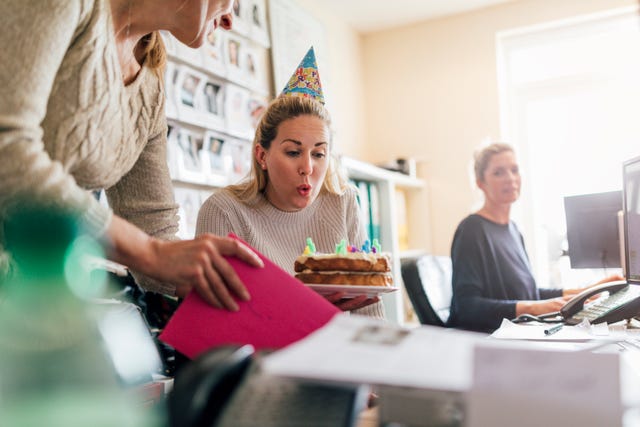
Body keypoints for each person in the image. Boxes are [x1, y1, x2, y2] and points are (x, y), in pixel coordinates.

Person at [0, 0, 264, 312]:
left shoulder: (150, 85)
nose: (230, 20)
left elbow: (152, 227)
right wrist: (150, 253)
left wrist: (255, 299)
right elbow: (9, 151)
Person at [448, 143, 622, 333]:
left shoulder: (513, 230)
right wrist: (537, 307)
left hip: (516, 333)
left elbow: (528, 293)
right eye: (498, 172)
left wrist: (587, 291)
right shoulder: (471, 230)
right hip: (488, 341)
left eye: (514, 170)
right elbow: (466, 307)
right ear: (480, 182)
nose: (510, 178)